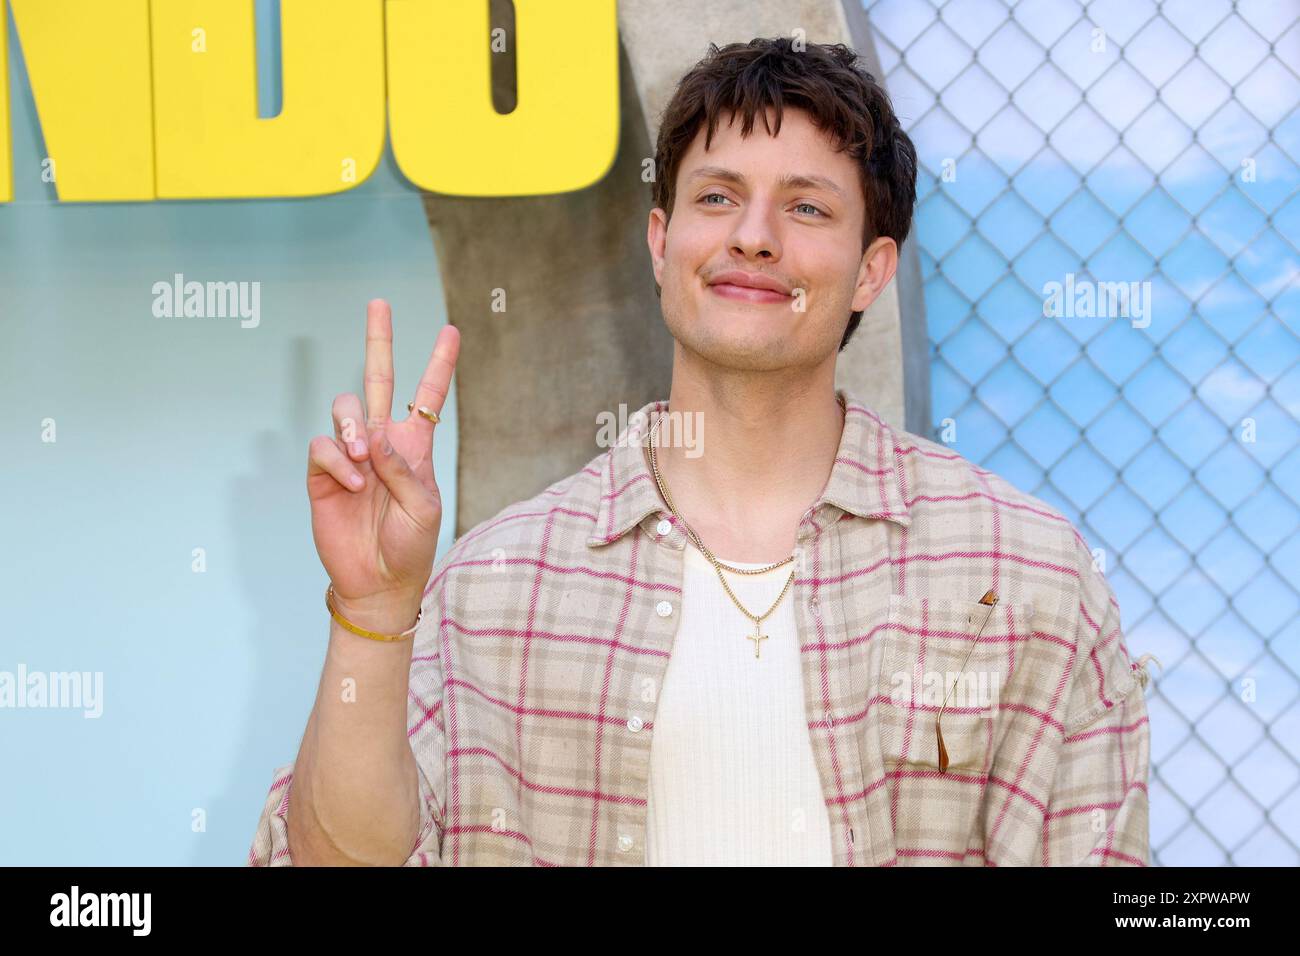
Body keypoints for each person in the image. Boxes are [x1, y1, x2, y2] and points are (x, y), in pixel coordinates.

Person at [249, 37, 1152, 867]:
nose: (752, 236)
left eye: (805, 206)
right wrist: (372, 611)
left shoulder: (1020, 571)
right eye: (717, 197)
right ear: (661, 242)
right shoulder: (498, 586)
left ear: (872, 270)